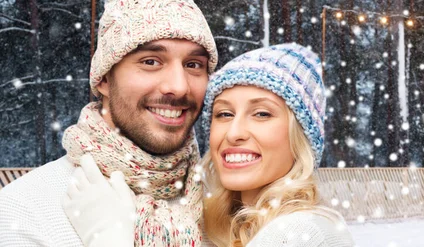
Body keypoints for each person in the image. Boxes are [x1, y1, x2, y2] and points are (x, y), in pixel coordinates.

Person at [64, 43, 355, 246]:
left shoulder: (298, 232)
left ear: (300, 137)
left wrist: (108, 237)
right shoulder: (232, 229)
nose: (234, 132)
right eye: (224, 114)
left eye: (262, 113)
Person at [0, 0, 218, 246]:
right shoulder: (24, 212)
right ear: (103, 79)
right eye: (151, 61)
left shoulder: (228, 208)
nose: (178, 87)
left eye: (193, 65)